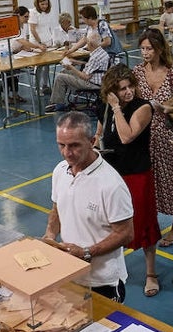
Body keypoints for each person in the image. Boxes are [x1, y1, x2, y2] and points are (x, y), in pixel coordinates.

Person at [44, 111, 134, 302]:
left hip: (102, 283)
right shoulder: (60, 170)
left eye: (74, 145)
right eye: (62, 145)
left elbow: (126, 234)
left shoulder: (111, 185)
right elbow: (57, 208)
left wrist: (86, 253)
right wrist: (50, 236)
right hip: (71, 274)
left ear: (92, 141)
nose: (67, 153)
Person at [98, 65, 163, 297]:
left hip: (137, 173)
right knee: (111, 223)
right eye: (122, 89)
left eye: (130, 87)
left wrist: (116, 107)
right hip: (112, 174)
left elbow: (127, 136)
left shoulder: (142, 107)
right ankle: (111, 271)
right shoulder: (105, 108)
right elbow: (100, 134)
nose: (128, 92)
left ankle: (151, 274)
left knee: (144, 223)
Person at [133, 28, 173, 248]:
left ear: (159, 49)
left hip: (169, 133)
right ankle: (150, 222)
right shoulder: (137, 72)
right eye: (143, 48)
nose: (145, 53)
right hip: (145, 135)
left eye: (149, 49)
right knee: (148, 180)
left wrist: (165, 108)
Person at [44, 22, 109, 112]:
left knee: (60, 77)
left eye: (87, 43)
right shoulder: (100, 52)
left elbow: (85, 76)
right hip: (96, 78)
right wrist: (76, 62)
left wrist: (71, 67)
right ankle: (58, 100)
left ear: (91, 44)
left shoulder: (95, 57)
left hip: (91, 83)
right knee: (64, 72)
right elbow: (91, 67)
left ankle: (58, 104)